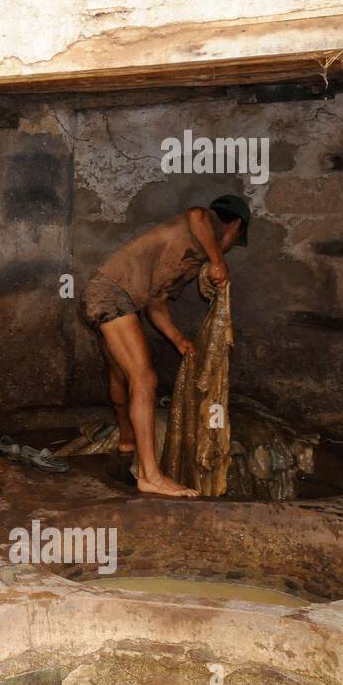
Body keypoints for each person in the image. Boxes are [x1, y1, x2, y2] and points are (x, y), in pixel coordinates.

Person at [79, 195, 249, 498]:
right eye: (235, 240)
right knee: (144, 378)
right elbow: (196, 212)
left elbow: (156, 303)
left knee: (121, 372)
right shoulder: (204, 224)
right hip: (111, 292)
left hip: (110, 296)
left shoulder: (192, 259)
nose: (230, 246)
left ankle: (127, 442)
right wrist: (218, 260)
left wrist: (180, 340)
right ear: (234, 225)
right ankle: (150, 475)